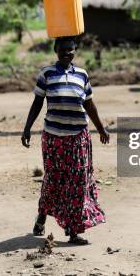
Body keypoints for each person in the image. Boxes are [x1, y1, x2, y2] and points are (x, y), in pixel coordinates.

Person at [21, 36, 109, 245]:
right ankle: (42, 215)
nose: (67, 53)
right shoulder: (47, 74)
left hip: (79, 139)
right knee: (53, 181)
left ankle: (73, 231)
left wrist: (101, 128)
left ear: (75, 51)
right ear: (56, 51)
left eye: (70, 50)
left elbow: (89, 105)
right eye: (63, 50)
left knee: (78, 184)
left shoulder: (82, 75)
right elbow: (37, 103)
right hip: (54, 139)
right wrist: (26, 128)